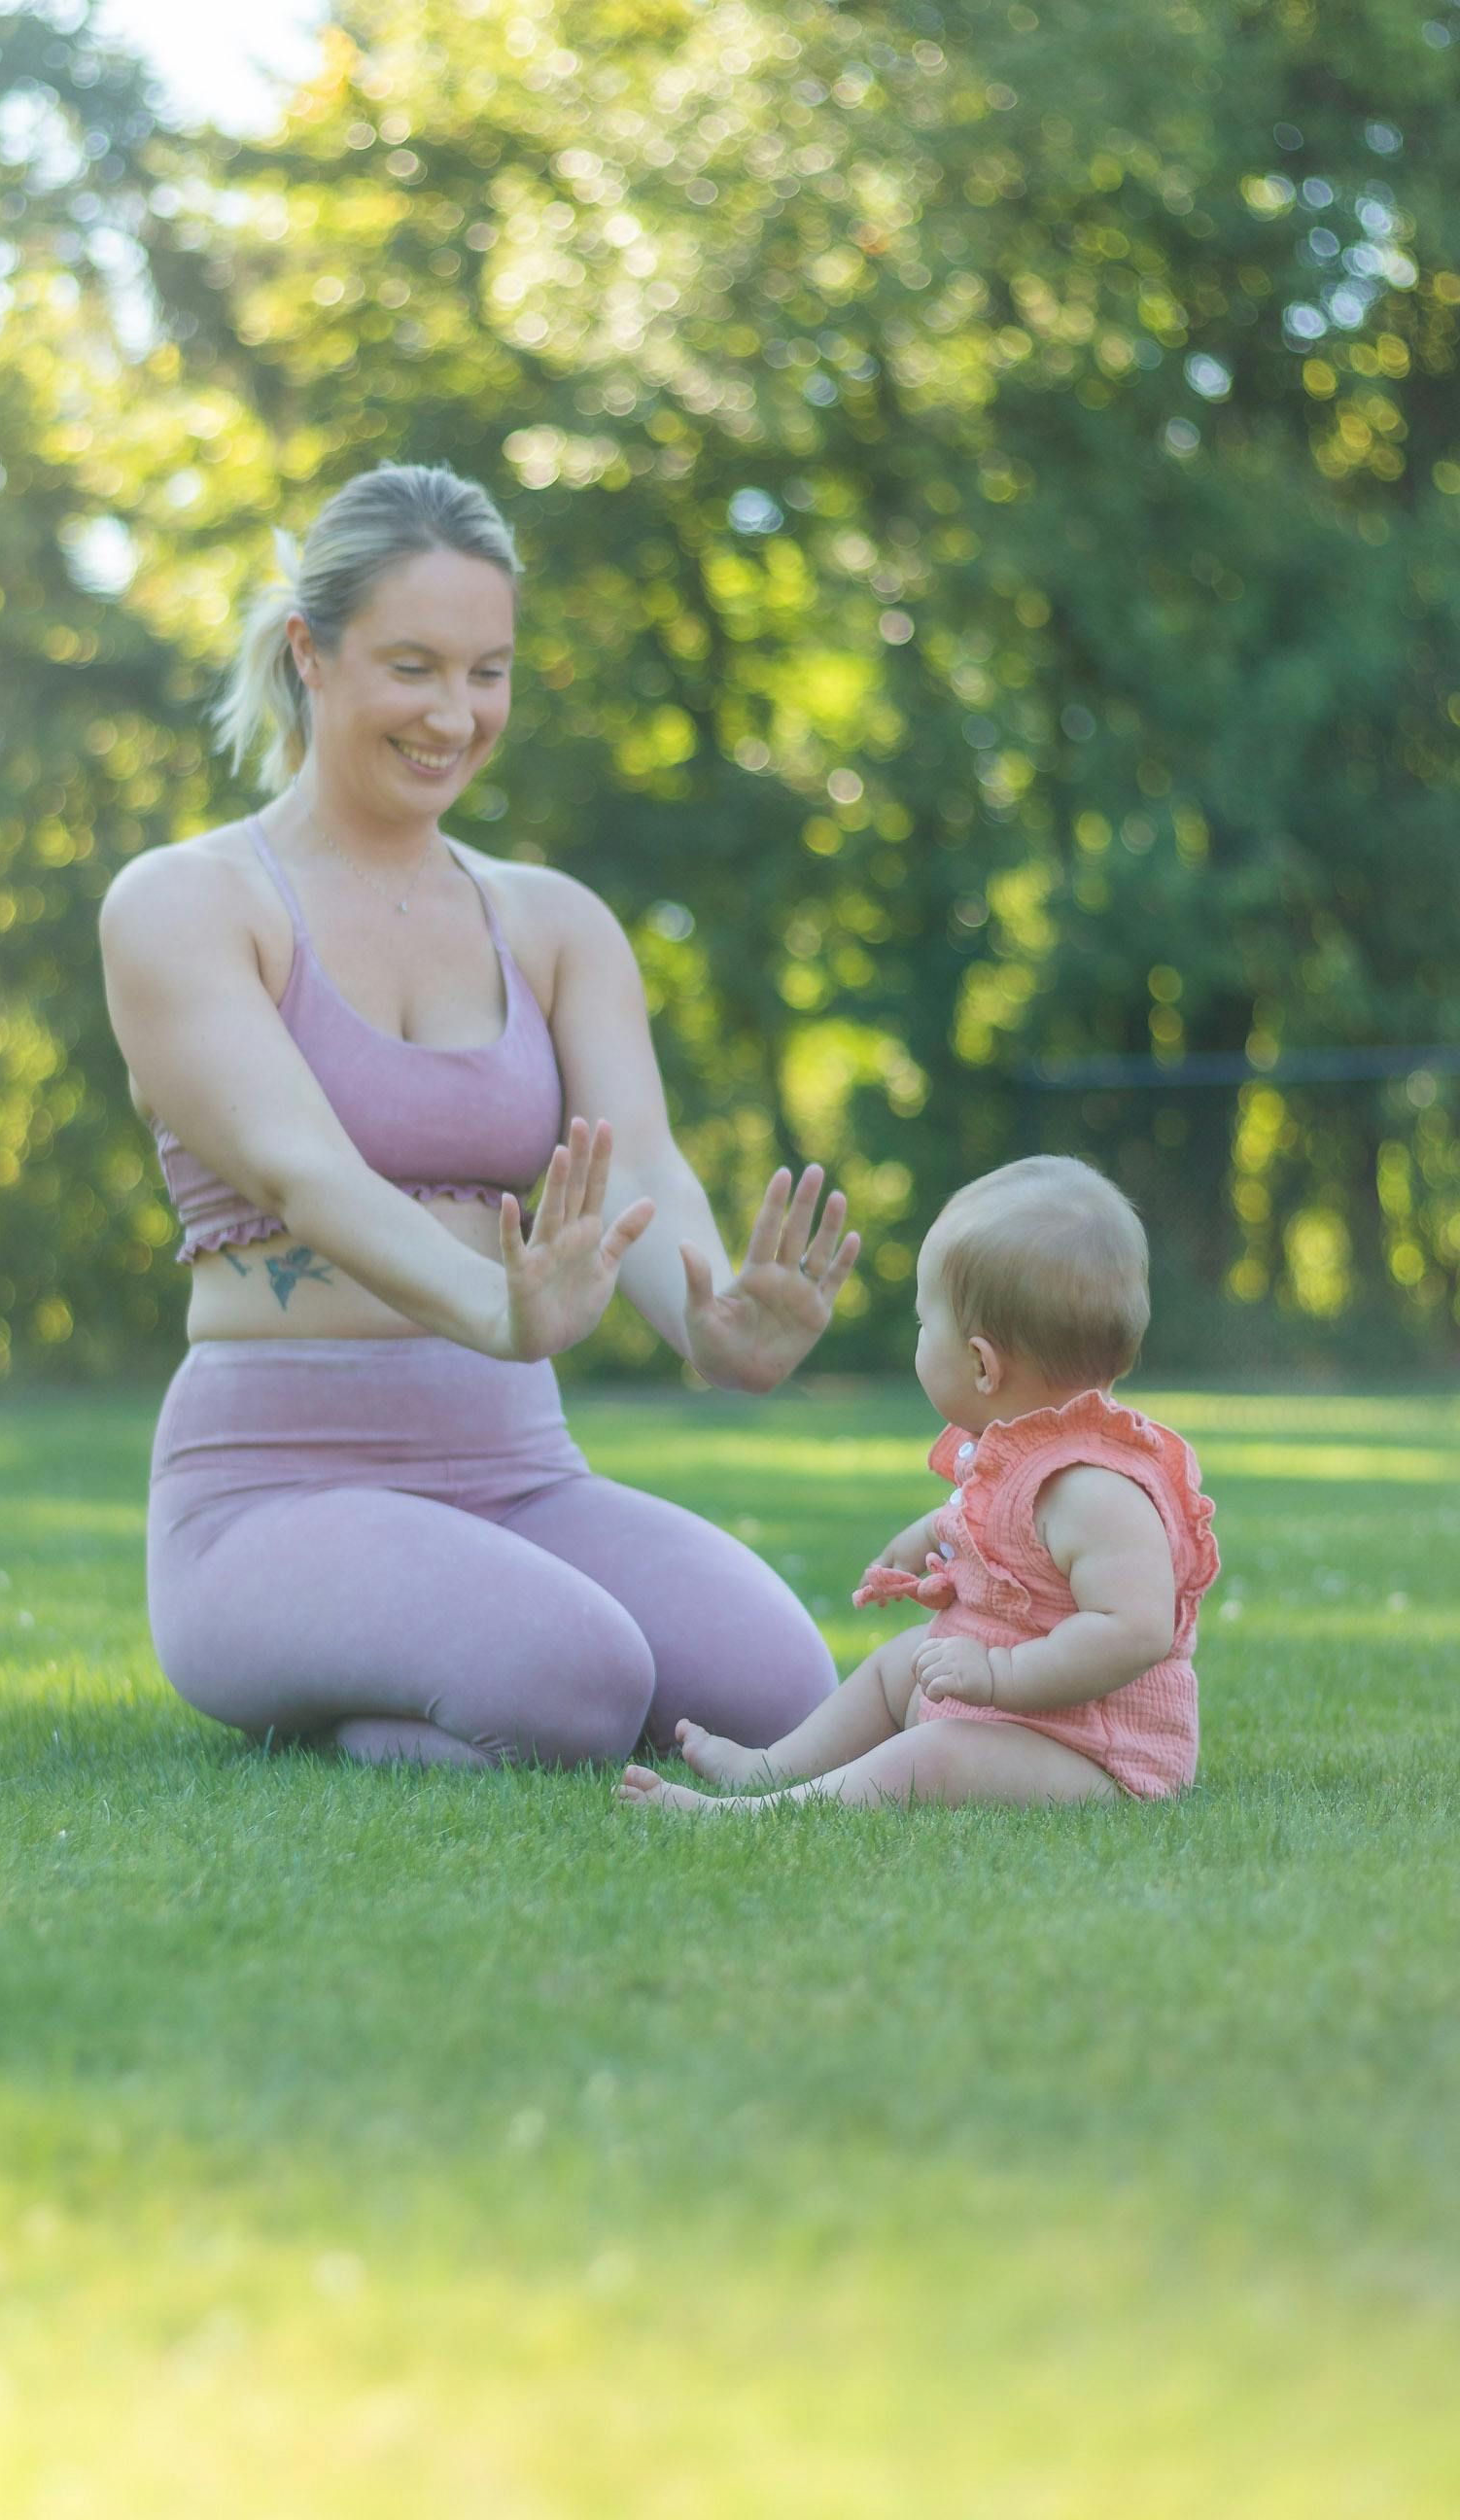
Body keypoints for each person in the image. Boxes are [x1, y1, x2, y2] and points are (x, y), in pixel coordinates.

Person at [98, 460, 860, 1768]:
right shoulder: (186, 903)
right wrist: (494, 1309)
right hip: (273, 1486)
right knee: (577, 1680)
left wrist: (711, 1323)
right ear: (310, 654)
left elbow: (645, 1166)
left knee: (782, 1690)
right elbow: (300, 1173)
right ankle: (364, 1686)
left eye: (487, 671)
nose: (455, 714)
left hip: (517, 1474)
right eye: (414, 667)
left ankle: (437, 1678)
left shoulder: (553, 923)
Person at [618, 1155, 1218, 1814]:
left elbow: (1134, 1631)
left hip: (1097, 1757)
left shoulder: (1096, 1492)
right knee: (900, 1661)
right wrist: (929, 1533)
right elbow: (1003, 1532)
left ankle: (754, 1816)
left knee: (936, 1756)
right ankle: (769, 1766)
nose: (919, 1338)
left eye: (924, 1324)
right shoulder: (1015, 1450)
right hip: (1023, 1714)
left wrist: (997, 1674)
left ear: (982, 1364)